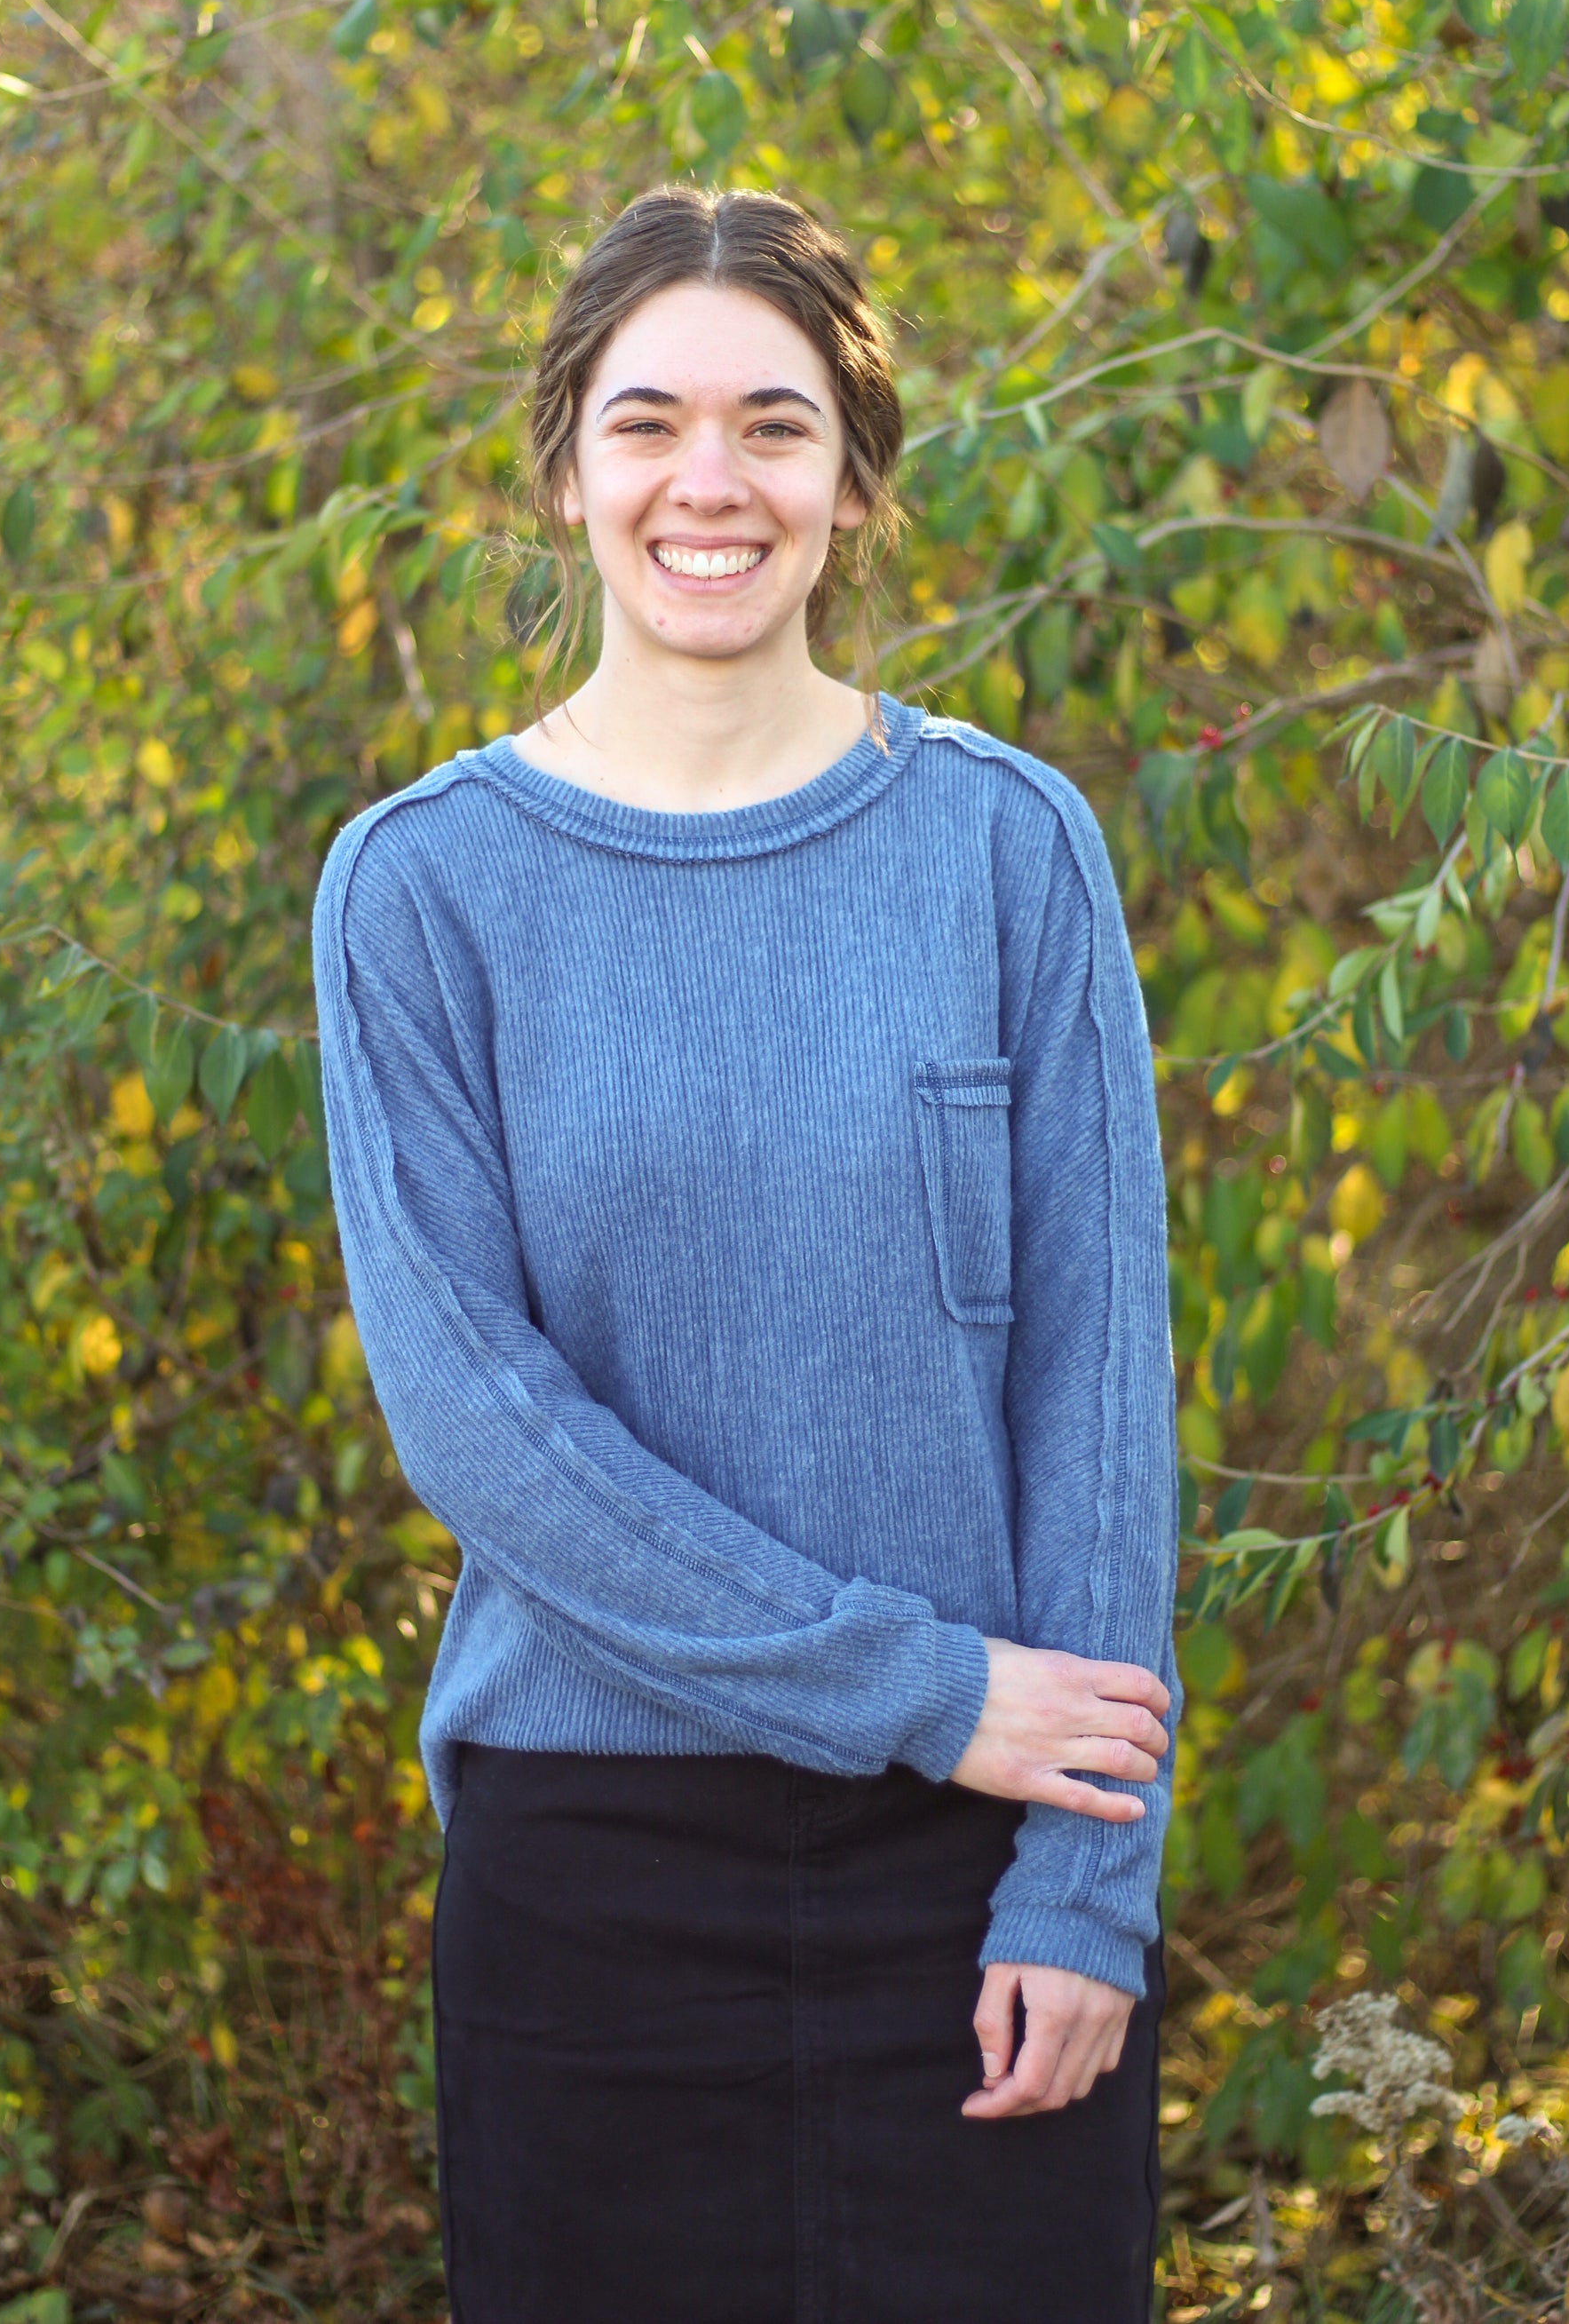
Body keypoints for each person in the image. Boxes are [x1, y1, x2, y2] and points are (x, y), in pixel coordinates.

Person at [313, 185, 1180, 2324]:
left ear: (854, 481)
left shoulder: (1004, 844)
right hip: (593, 1867)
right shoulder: (421, 887)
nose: (710, 480)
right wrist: (917, 1687)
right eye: (648, 422)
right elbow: (477, 1423)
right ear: (564, 470)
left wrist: (1085, 1879)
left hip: (981, 1867)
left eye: (776, 425)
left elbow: (1094, 1377)